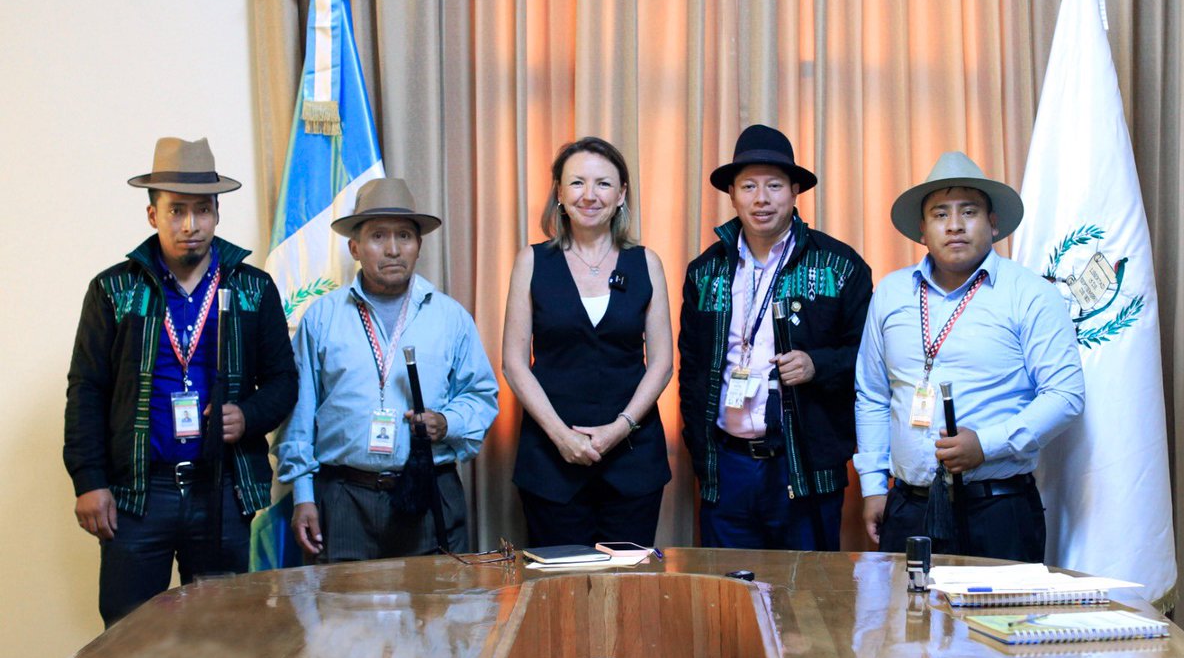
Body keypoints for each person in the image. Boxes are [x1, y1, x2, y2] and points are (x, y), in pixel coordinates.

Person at [64, 137, 299, 626]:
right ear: (153, 216)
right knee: (129, 641)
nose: (190, 225)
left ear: (217, 214)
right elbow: (86, 389)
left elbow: (283, 380)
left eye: (202, 211)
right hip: (137, 497)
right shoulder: (113, 289)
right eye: (176, 211)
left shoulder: (253, 288)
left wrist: (248, 415)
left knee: (224, 636)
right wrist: (89, 481)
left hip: (222, 491)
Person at [854, 151, 1085, 561]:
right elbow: (871, 394)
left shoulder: (1031, 294)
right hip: (909, 508)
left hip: (998, 509)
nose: (955, 225)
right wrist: (874, 486)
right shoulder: (890, 294)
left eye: (969, 211)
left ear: (993, 224)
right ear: (922, 230)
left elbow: (1065, 396)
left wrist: (988, 444)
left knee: (996, 627)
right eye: (940, 214)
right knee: (903, 625)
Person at [276, 177, 499, 561]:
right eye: (378, 236)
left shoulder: (451, 318)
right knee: (345, 616)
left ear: (419, 246)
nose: (393, 249)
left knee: (436, 615)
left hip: (429, 490)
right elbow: (298, 414)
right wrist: (303, 496)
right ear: (355, 248)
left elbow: (481, 396)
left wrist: (446, 422)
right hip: (344, 495)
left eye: (404, 236)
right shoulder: (322, 318)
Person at [678, 124, 872, 550]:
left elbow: (871, 360)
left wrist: (818, 364)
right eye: (748, 186)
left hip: (803, 464)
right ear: (732, 193)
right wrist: (701, 450)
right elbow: (690, 369)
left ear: (795, 191)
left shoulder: (840, 266)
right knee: (728, 599)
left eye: (774, 185)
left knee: (809, 602)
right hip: (725, 465)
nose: (760, 199)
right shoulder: (704, 271)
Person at [503, 137, 673, 547]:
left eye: (603, 184)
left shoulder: (646, 262)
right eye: (577, 183)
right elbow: (513, 361)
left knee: (629, 592)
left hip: (633, 458)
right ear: (559, 193)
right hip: (551, 461)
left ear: (621, 195)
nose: (590, 195)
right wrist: (562, 436)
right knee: (558, 590)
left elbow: (663, 362)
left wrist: (621, 428)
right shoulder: (532, 261)